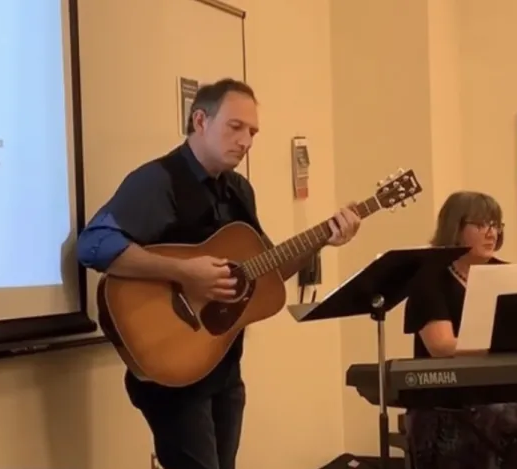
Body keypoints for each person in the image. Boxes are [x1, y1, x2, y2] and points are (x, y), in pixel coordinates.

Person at [76, 78, 361, 469]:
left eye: (253, 132)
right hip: (172, 369)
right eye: (236, 127)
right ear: (200, 120)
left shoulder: (239, 190)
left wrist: (323, 239)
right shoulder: (159, 181)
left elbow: (266, 272)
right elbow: (93, 244)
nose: (246, 141)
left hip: (222, 366)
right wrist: (184, 272)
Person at [403, 191, 517, 469]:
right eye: (481, 225)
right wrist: (498, 345)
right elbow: (441, 346)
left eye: (496, 224)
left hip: (504, 393)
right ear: (455, 227)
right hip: (450, 402)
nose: (491, 233)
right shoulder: (430, 280)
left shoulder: (509, 275)